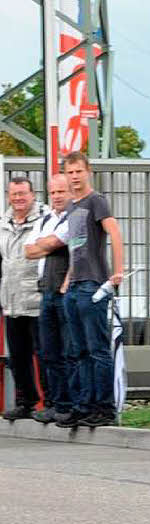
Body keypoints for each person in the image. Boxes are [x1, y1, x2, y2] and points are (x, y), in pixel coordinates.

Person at [30, 152, 125, 428]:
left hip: (93, 283)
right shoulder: (72, 207)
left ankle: (103, 406)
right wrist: (67, 279)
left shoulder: (96, 201)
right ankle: (83, 405)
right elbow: (75, 247)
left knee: (97, 348)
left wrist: (117, 272)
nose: (74, 177)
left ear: (88, 171)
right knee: (77, 350)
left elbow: (115, 233)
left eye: (78, 171)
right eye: (69, 172)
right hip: (73, 285)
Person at [23, 175, 72, 423]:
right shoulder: (46, 219)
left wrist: (46, 244)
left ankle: (68, 404)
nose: (57, 196)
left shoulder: (74, 217)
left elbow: (57, 241)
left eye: (61, 191)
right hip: (45, 291)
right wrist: (48, 244)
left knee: (67, 350)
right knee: (48, 351)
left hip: (64, 291)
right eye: (53, 192)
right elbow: (28, 250)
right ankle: (55, 402)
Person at [0, 177, 47, 420]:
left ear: (33, 194)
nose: (18, 199)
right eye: (14, 194)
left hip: (36, 299)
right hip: (11, 299)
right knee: (18, 355)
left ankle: (50, 401)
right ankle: (25, 401)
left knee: (44, 352)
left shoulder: (44, 219)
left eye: (22, 194)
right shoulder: (3, 222)